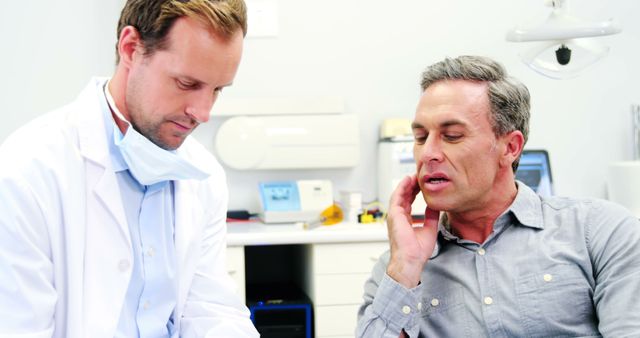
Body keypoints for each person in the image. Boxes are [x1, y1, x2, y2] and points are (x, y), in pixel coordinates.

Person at [0, 0, 259, 337]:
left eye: (217, 90)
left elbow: (208, 309)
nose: (203, 112)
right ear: (131, 48)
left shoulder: (202, 175)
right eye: (186, 84)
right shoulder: (26, 173)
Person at [356, 55, 640, 337]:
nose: (427, 153)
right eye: (420, 138)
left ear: (510, 147)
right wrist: (404, 271)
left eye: (452, 135)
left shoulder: (600, 232)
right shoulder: (394, 271)